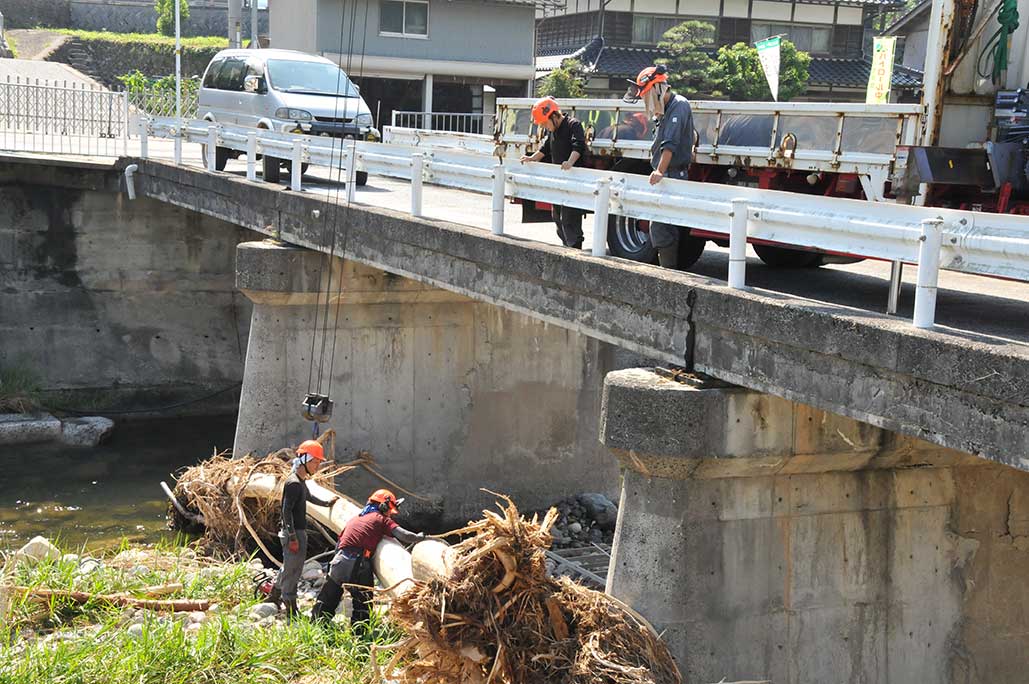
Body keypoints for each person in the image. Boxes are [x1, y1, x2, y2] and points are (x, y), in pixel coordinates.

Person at [310, 488, 424, 625]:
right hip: (357, 562)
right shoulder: (381, 520)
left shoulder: (356, 519)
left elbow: (340, 543)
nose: (390, 514)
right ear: (384, 506)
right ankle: (360, 635)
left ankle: (317, 625)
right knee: (363, 602)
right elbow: (404, 535)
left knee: (327, 598)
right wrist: (420, 538)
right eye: (390, 510)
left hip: (338, 560)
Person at [624, 64, 695, 269]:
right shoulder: (665, 110)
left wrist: (659, 171)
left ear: (658, 88)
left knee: (662, 227)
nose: (647, 101)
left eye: (647, 94)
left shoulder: (679, 105)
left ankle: (669, 273)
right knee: (661, 226)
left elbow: (669, 145)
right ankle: (668, 271)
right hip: (666, 175)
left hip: (671, 175)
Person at [270, 439, 338, 619]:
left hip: (297, 532)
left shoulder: (300, 480)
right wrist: (292, 537)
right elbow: (286, 511)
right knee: (294, 569)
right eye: (315, 462)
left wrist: (327, 503)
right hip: (294, 533)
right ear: (304, 459)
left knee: (289, 566)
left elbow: (308, 497)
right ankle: (290, 607)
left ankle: (274, 595)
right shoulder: (293, 483)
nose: (317, 466)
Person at [519, 96, 588, 249]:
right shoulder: (553, 132)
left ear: (554, 116)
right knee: (557, 216)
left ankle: (575, 248)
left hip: (574, 180)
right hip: (559, 181)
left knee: (570, 217)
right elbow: (544, 149)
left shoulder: (573, 125)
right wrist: (531, 158)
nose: (545, 126)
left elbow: (579, 146)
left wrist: (569, 162)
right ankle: (566, 246)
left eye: (545, 123)